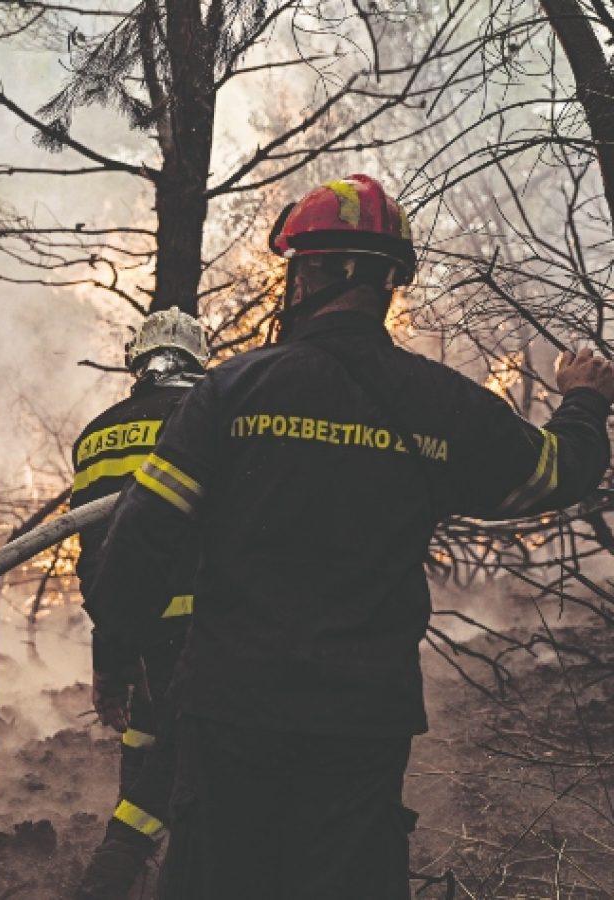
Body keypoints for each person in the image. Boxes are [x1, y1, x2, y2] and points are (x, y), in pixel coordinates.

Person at [84, 173, 614, 899]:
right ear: (389, 284)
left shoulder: (231, 392)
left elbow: (136, 551)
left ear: (306, 275)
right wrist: (584, 402)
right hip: (360, 724)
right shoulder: (439, 404)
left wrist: (124, 656)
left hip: (232, 713)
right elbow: (556, 472)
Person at [70, 307, 210, 898]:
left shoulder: (96, 434)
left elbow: (97, 555)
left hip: (138, 623)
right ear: (198, 360)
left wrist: (112, 656)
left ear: (136, 359)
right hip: (216, 625)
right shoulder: (213, 416)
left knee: (149, 728)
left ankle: (134, 866)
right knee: (191, 752)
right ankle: (140, 868)